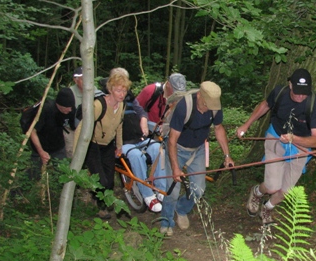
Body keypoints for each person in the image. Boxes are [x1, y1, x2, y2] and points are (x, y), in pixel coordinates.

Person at [236, 69, 316, 225]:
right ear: (290, 85)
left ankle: (267, 207)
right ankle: (257, 192)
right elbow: (264, 106)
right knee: (272, 186)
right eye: (297, 91)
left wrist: (294, 139)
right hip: (276, 137)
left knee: (286, 191)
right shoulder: (280, 93)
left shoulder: (315, 104)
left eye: (304, 92)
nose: (300, 96)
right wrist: (247, 124)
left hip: (300, 146)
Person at [160, 81, 234, 235]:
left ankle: (181, 210)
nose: (208, 108)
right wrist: (175, 168)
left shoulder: (214, 108)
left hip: (197, 150)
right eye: (205, 104)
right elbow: (172, 140)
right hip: (177, 148)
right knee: (172, 190)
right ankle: (166, 220)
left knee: (199, 190)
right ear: (199, 95)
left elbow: (219, 129)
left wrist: (227, 155)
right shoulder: (184, 107)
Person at [120, 75, 186, 213]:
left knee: (158, 148)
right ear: (168, 84)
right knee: (137, 156)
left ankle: (161, 188)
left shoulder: (178, 99)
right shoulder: (151, 91)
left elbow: (138, 110)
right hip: (133, 136)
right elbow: (137, 110)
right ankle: (148, 194)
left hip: (148, 133)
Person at [75, 70, 130, 219]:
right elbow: (81, 127)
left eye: (124, 90)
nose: (122, 94)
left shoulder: (122, 105)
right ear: (110, 89)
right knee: (101, 180)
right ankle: (101, 208)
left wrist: (119, 146)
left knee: (110, 180)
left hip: (108, 145)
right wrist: (76, 153)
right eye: (118, 90)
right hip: (92, 144)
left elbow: (119, 125)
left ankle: (102, 204)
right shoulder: (99, 105)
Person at [29, 88, 75, 179]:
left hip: (58, 147)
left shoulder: (71, 110)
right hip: (41, 147)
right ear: (59, 104)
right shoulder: (46, 110)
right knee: (33, 175)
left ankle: (58, 193)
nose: (69, 110)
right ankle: (16, 192)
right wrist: (41, 152)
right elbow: (32, 132)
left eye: (71, 107)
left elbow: (75, 127)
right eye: (67, 107)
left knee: (62, 175)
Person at [63, 66, 83, 158]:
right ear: (75, 80)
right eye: (82, 79)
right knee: (72, 152)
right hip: (71, 129)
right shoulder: (69, 93)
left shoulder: (94, 91)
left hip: (87, 129)